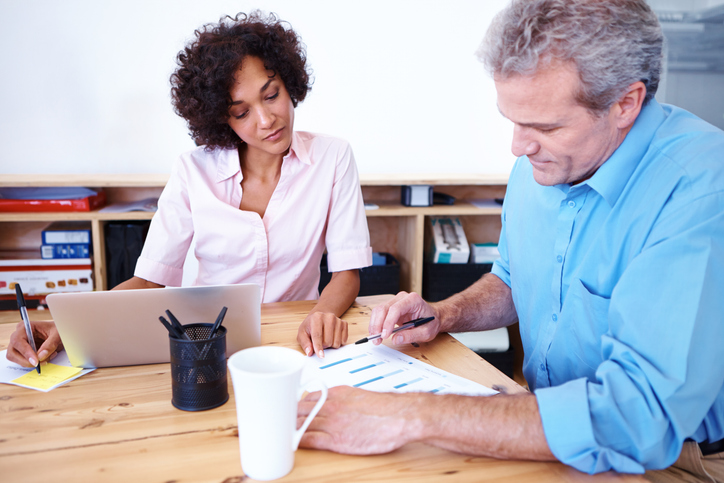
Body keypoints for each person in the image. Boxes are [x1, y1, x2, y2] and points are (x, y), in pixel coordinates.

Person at [297, 0, 724, 480]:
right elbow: (514, 279)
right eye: (513, 120)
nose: (518, 147)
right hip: (550, 420)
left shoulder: (701, 190)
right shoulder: (542, 163)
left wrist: (406, 415)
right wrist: (444, 314)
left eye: (544, 126)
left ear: (625, 104)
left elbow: (639, 417)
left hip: (673, 456)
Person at [7, 12, 371, 368]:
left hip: (295, 339)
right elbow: (149, 280)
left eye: (271, 94)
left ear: (289, 83)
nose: (266, 120)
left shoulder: (332, 157)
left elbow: (346, 273)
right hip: (205, 342)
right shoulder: (193, 170)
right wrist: (67, 327)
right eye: (241, 112)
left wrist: (322, 314)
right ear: (221, 119)